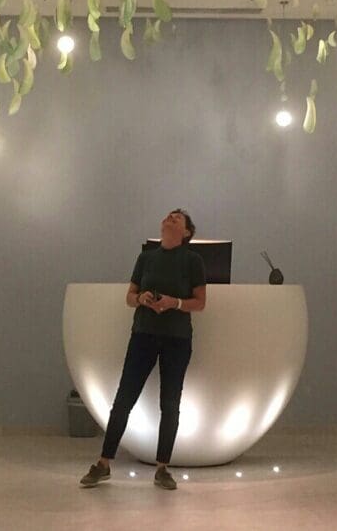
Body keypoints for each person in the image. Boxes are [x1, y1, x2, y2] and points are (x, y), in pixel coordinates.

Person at [79, 209, 207, 491]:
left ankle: (162, 468)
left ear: (187, 232)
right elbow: (129, 297)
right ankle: (103, 463)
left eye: (177, 217)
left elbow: (200, 302)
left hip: (177, 339)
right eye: (168, 215)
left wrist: (174, 303)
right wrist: (141, 298)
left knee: (170, 402)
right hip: (143, 334)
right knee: (124, 398)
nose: (170, 218)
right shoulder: (146, 258)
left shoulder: (193, 261)